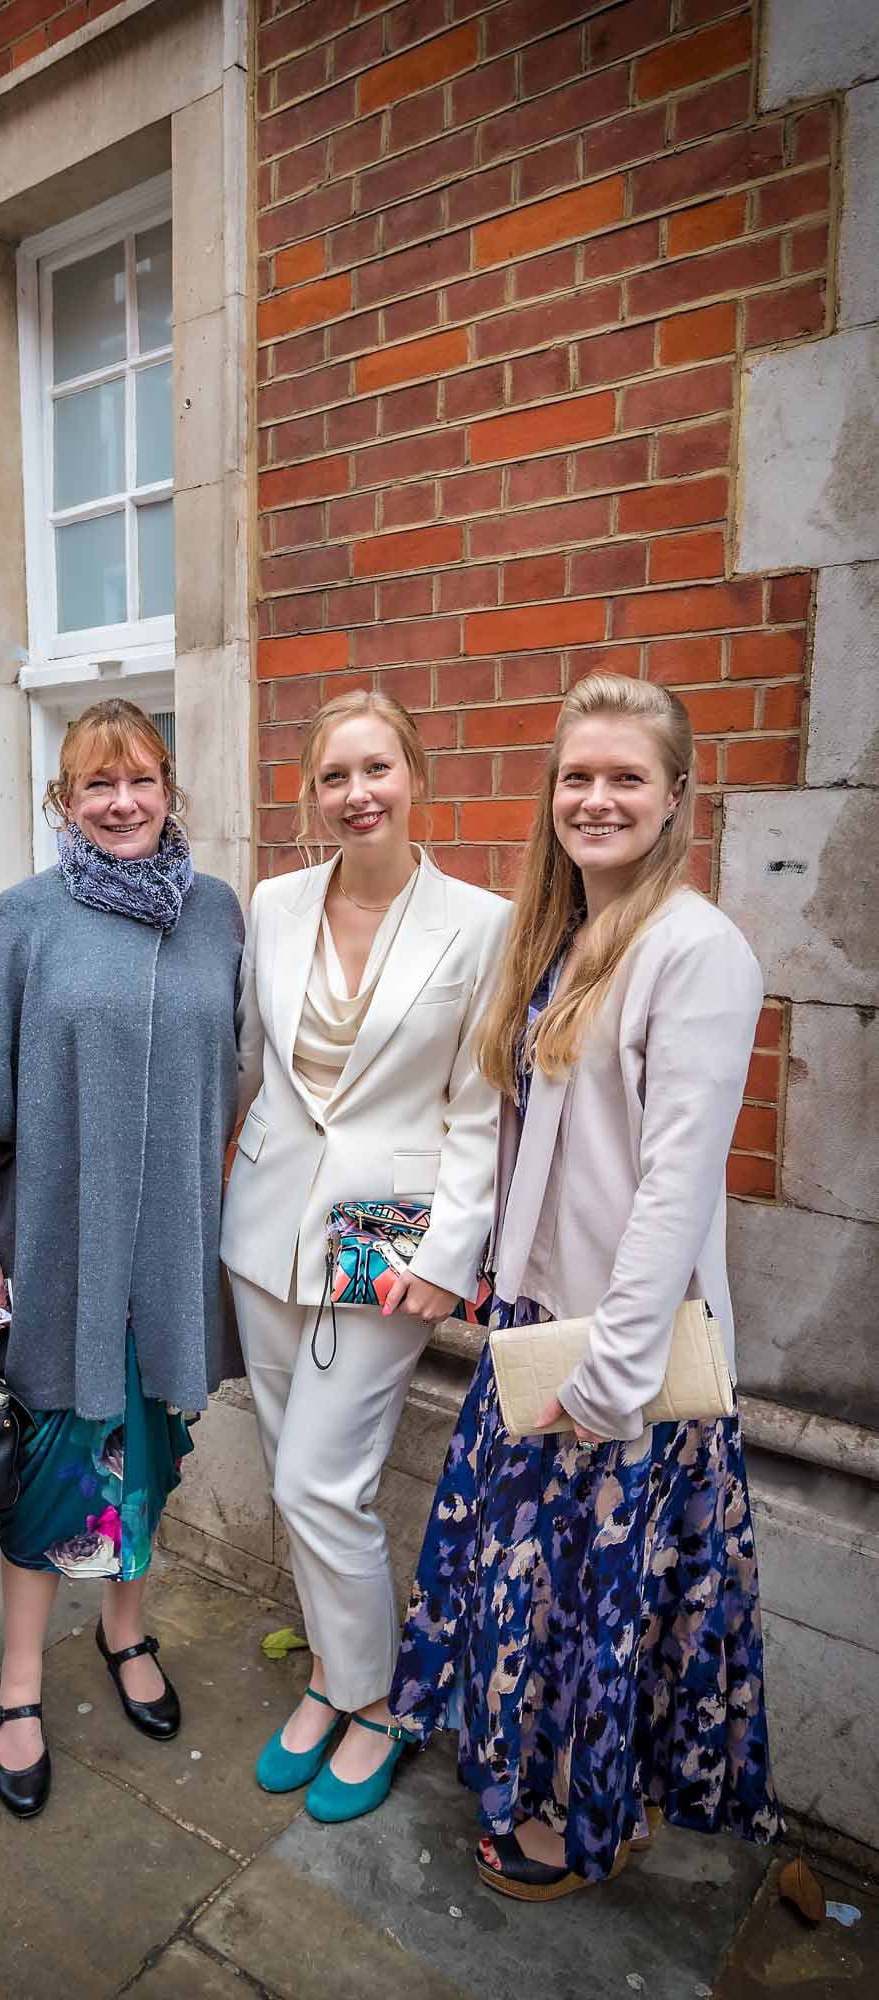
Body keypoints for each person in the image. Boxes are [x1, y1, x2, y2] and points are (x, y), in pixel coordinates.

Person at [391, 673, 784, 1900]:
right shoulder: (553, 933)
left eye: (625, 776)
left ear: (676, 797)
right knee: (532, 1591)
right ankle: (546, 1783)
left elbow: (671, 1189)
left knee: (596, 1609)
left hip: (620, 1351)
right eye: (576, 775)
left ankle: (587, 1814)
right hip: (534, 1325)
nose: (596, 797)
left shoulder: (698, 951)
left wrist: (609, 1378)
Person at [0, 698, 243, 1820]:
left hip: (165, 1247)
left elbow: (238, 1077)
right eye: (95, 785)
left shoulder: (217, 914)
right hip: (55, 1244)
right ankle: (19, 1688)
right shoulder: (24, 918)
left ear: (172, 790)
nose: (121, 802)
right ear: (62, 802)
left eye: (141, 780)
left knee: (147, 1449)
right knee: (49, 1461)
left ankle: (124, 1630)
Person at [220, 689, 510, 1825]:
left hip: (386, 1243)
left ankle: (378, 1698)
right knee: (296, 1465)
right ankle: (333, 1679)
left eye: (376, 768)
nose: (357, 793)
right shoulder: (275, 903)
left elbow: (479, 1107)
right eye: (335, 775)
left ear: (414, 774)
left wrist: (450, 1252)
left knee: (318, 1478)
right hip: (266, 1229)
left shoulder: (478, 922)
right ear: (310, 791)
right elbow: (252, 1063)